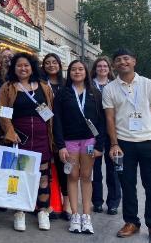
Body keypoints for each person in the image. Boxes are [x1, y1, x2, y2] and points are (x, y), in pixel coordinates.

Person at [103, 48, 151, 242]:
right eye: (118, 60)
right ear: (114, 65)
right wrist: (114, 144)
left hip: (150, 142)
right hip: (124, 144)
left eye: (126, 59)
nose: (122, 62)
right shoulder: (110, 88)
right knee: (127, 185)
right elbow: (110, 118)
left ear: (134, 61)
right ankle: (131, 221)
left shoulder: (148, 84)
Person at [0, 53, 54, 231]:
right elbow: (2, 112)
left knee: (43, 177)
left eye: (26, 65)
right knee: (17, 177)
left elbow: (49, 114)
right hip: (19, 138)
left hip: (41, 137)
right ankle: (19, 212)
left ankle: (43, 211)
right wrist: (10, 131)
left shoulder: (44, 87)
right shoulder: (7, 88)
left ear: (32, 67)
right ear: (14, 69)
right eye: (19, 66)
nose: (23, 68)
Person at [53, 60, 105, 234]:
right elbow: (57, 121)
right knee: (73, 175)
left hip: (89, 141)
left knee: (86, 175)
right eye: (73, 69)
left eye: (80, 69)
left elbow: (101, 121)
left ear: (86, 72)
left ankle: (86, 215)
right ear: (69, 73)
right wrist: (60, 145)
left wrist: (100, 145)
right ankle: (75, 215)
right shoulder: (62, 93)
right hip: (69, 141)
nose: (77, 72)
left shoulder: (95, 93)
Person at [40, 53, 71, 221]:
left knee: (64, 168)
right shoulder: (39, 84)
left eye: (54, 62)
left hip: (64, 131)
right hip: (44, 129)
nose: (51, 65)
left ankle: (67, 205)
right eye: (48, 63)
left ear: (59, 65)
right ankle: (46, 204)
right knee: (46, 170)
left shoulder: (67, 84)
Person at [90, 56, 122, 215]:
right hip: (93, 131)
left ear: (109, 69)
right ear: (95, 68)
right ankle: (96, 201)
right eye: (99, 66)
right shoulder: (89, 85)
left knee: (114, 168)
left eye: (105, 66)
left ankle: (113, 203)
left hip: (113, 131)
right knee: (95, 169)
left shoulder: (116, 85)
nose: (102, 68)